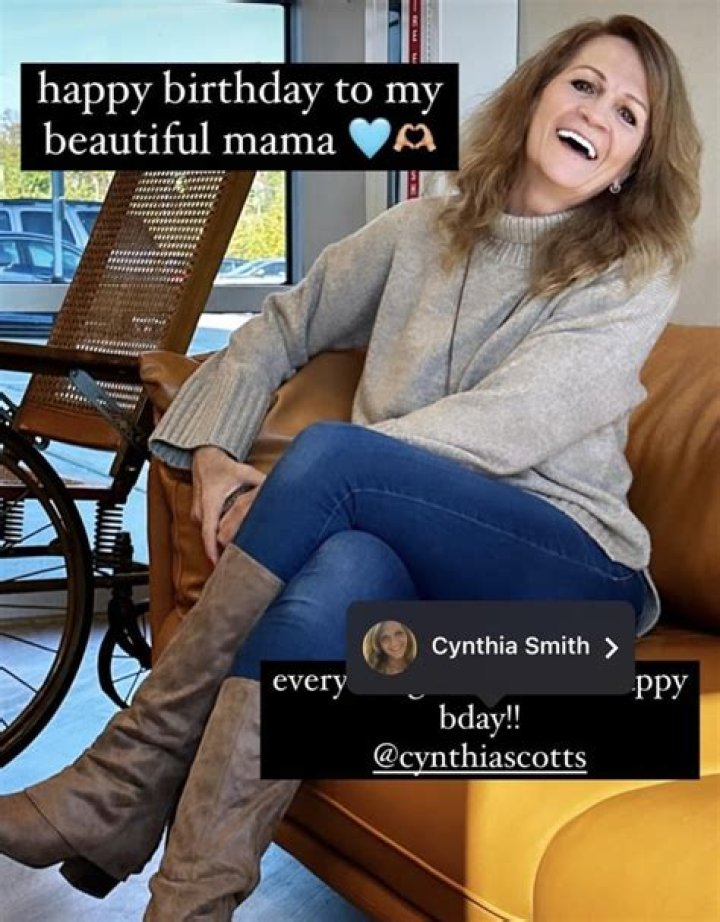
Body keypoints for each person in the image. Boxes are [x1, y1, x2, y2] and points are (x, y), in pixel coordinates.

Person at [0, 14, 701, 922]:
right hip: (421, 564)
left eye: (629, 113)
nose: (597, 114)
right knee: (340, 573)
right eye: (583, 84)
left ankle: (121, 780)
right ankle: (189, 903)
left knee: (332, 462)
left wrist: (317, 484)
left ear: (634, 162)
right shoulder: (418, 230)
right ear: (537, 94)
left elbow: (513, 421)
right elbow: (279, 326)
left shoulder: (632, 270)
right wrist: (212, 453)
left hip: (577, 588)